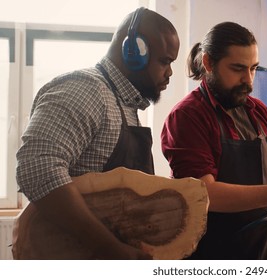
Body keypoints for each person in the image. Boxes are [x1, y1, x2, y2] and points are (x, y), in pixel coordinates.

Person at [15, 7, 180, 259]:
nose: (169, 73)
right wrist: (109, 248)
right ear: (134, 52)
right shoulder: (87, 90)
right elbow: (38, 168)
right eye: (164, 61)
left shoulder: (125, 104)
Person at [161, 21, 267, 260]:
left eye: (253, 68)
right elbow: (205, 194)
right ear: (208, 63)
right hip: (209, 255)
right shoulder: (188, 116)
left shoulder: (258, 111)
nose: (248, 80)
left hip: (261, 253)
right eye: (237, 69)